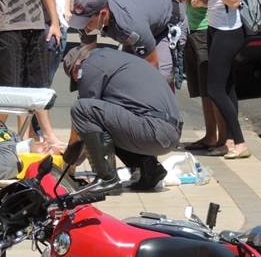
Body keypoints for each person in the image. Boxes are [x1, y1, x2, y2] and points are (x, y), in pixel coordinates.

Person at [63, 46, 182, 195]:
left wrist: (69, 161)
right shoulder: (111, 58)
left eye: (76, 80)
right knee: (104, 118)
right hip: (168, 131)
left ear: (77, 66)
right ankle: (150, 169)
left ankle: (107, 180)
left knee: (81, 108)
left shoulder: (89, 65)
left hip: (154, 130)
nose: (81, 84)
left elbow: (85, 117)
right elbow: (97, 127)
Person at [68, 0, 188, 91]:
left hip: (167, 21)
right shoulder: (88, 12)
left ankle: (167, 115)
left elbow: (152, 64)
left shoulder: (129, 26)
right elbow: (87, 55)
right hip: (144, 19)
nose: (84, 27)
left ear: (103, 14)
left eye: (87, 23)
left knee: (158, 78)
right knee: (126, 74)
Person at [0, 0, 66, 147]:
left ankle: (44, 134)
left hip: (36, 25)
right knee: (7, 90)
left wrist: (54, 22)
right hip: (8, 26)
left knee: (39, 86)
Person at [176, 0, 227, 152]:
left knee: (214, 88)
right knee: (202, 89)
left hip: (208, 29)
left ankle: (224, 139)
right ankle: (211, 135)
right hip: (190, 30)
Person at [204, 0, 251, 159]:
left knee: (214, 89)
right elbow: (217, 2)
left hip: (229, 31)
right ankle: (230, 141)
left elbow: (234, 1)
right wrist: (200, 1)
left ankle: (240, 142)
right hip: (215, 28)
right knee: (227, 86)